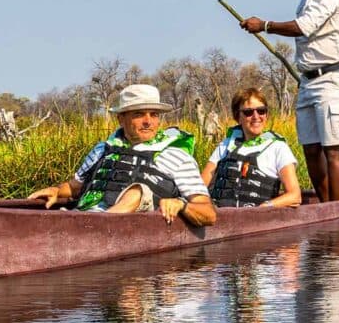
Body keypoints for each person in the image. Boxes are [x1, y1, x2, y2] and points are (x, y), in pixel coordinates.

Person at [238, 0, 339, 202]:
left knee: (333, 151)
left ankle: (335, 211)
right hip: (309, 79)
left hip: (333, 78)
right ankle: (324, 207)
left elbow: (304, 26)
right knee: (311, 149)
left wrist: (264, 25)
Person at [29, 84, 217, 226]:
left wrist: (181, 205)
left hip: (120, 225)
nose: (148, 121)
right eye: (139, 114)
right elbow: (73, 187)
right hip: (84, 215)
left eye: (154, 114)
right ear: (121, 118)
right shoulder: (103, 149)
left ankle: (95, 228)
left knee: (137, 191)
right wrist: (56, 190)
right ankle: (78, 225)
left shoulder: (176, 155)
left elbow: (208, 213)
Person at [202, 87, 302, 209]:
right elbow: (200, 186)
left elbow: (295, 196)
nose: (256, 116)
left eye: (261, 111)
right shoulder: (226, 145)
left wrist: (264, 207)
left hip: (256, 220)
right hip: (219, 217)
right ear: (238, 117)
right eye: (248, 112)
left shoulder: (278, 147)